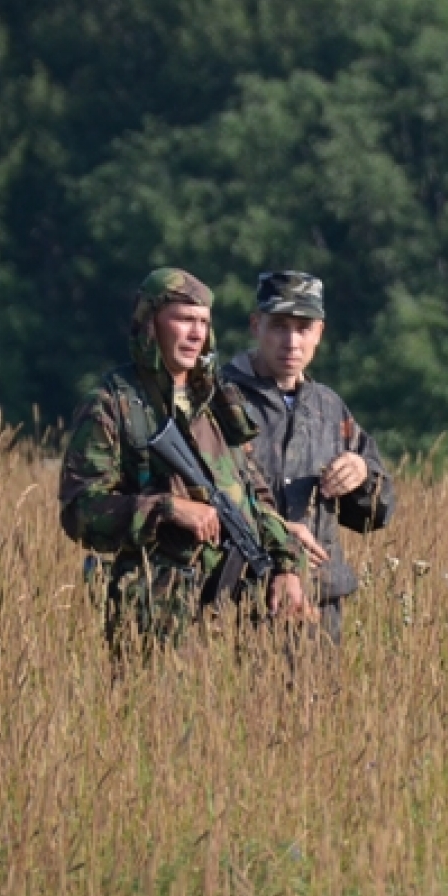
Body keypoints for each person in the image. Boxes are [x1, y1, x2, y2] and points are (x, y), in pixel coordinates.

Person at [59, 267, 311, 651]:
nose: (196, 334)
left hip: (237, 615)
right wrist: (165, 509)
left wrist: (286, 567)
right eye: (183, 320)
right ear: (150, 323)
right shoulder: (113, 405)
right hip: (156, 615)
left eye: (203, 322)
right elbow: (80, 511)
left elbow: (255, 497)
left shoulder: (217, 401)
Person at [222, 271, 395, 643]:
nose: (292, 341)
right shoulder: (219, 401)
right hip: (238, 607)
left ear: (320, 332)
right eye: (279, 326)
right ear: (256, 325)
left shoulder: (328, 408)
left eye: (303, 328)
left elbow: (377, 513)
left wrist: (361, 474)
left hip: (318, 614)